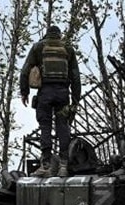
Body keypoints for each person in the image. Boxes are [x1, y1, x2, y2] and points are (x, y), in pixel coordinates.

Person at [19, 25, 81, 177]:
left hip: (45, 93)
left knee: (45, 126)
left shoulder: (38, 47)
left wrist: (24, 92)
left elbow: (25, 71)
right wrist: (75, 99)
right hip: (63, 93)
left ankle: (45, 166)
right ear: (59, 35)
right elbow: (76, 76)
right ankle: (63, 166)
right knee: (63, 127)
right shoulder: (68, 49)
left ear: (47, 35)